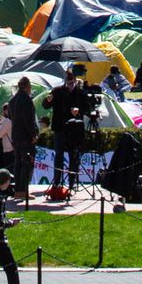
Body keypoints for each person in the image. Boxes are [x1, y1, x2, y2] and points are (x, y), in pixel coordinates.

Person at [48, 65, 94, 196]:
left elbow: (88, 108)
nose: (70, 85)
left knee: (73, 156)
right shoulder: (57, 91)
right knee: (59, 156)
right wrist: (48, 100)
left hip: (74, 129)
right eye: (68, 83)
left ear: (75, 81)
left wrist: (79, 111)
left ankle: (72, 184)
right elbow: (46, 105)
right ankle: (57, 183)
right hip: (59, 128)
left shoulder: (80, 93)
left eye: (72, 83)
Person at [2, 80, 39, 200]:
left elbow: (13, 118)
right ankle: (24, 190)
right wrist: (33, 135)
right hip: (26, 137)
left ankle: (18, 190)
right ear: (28, 86)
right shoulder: (27, 101)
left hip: (16, 136)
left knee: (18, 164)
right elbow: (29, 120)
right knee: (27, 164)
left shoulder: (12, 100)